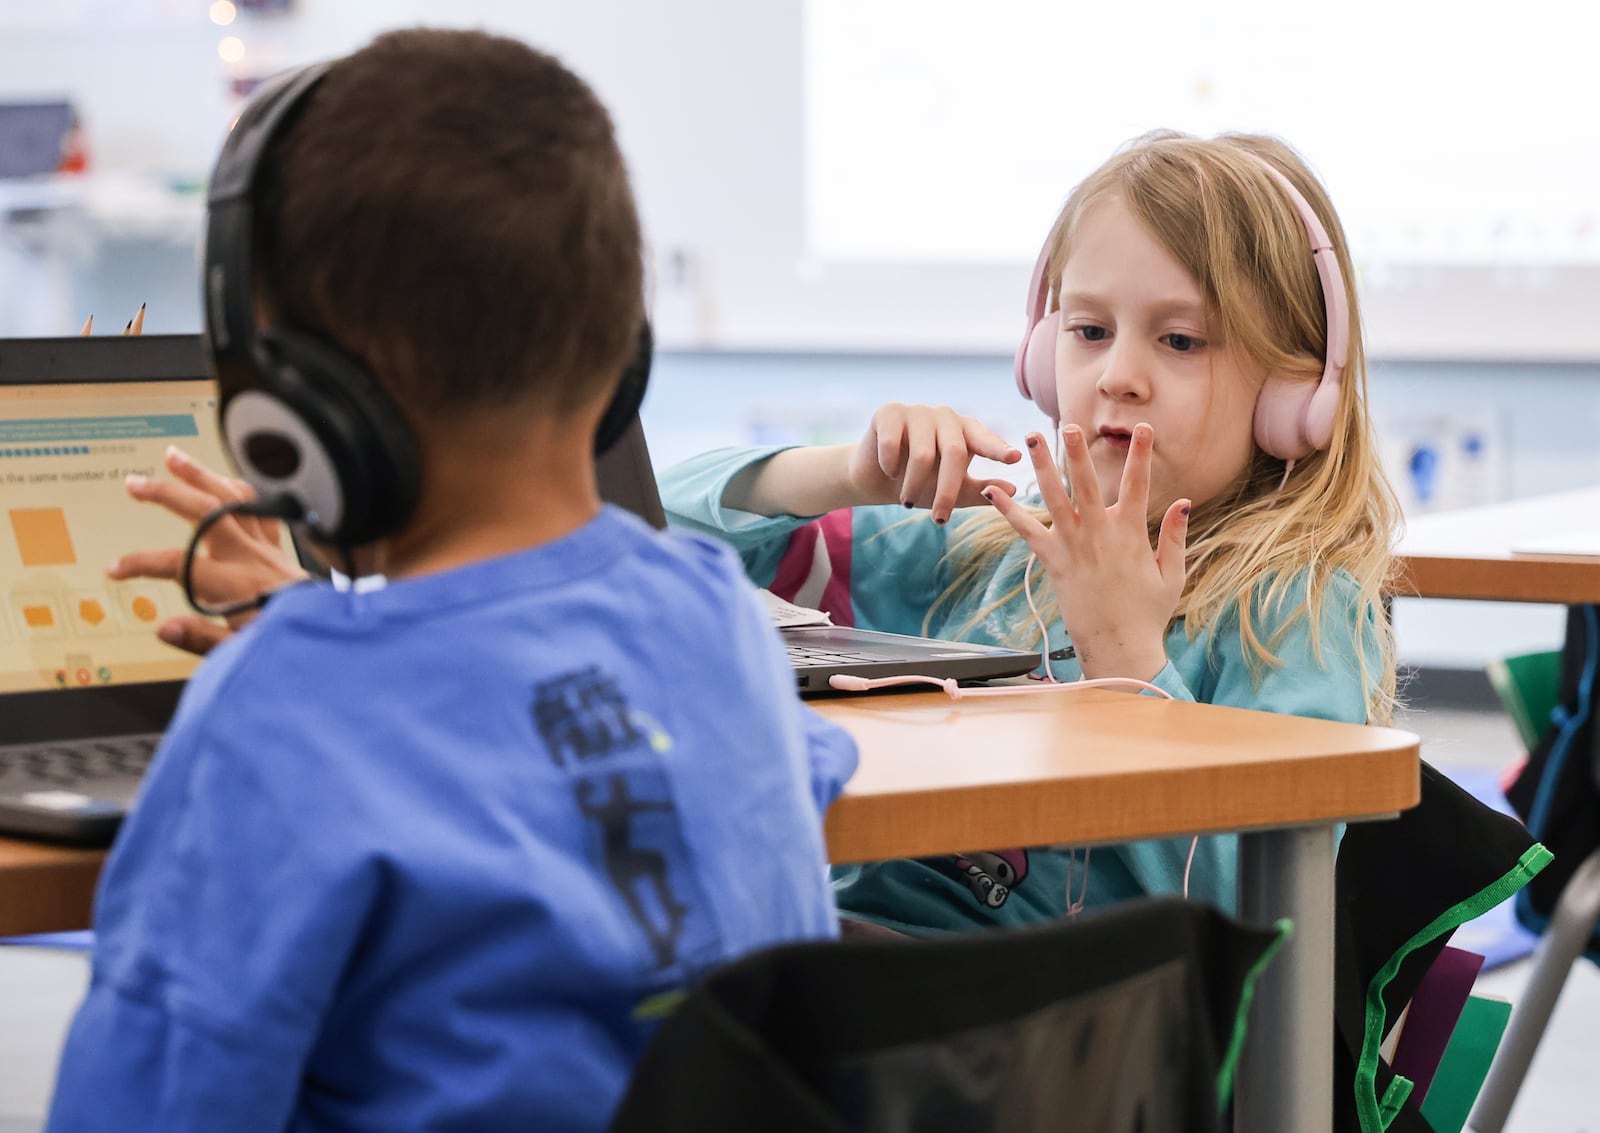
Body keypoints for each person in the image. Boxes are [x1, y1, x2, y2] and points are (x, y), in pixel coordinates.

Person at [47, 28, 855, 1133]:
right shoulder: (708, 608)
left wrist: (324, 653)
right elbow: (783, 772)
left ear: (297, 410)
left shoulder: (278, 709)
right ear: (625, 355)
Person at [660, 131, 1401, 934]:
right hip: (850, 954)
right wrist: (843, 474)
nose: (1117, 373)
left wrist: (1130, 660)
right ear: (1042, 358)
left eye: (1180, 339)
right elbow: (650, 536)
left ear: (1296, 394)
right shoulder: (991, 550)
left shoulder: (1294, 614)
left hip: (1055, 1024)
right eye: (1088, 331)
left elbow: (1262, 912)